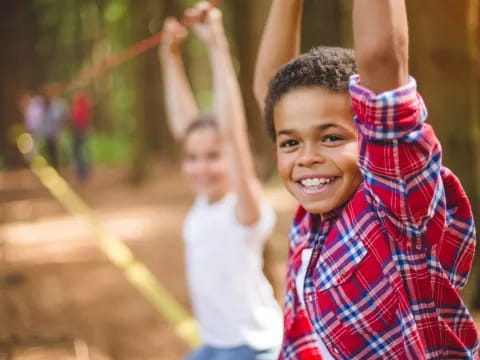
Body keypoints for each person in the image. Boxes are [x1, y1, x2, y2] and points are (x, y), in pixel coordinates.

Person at [254, 0, 479, 359]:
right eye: (291, 142)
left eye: (331, 137)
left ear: (371, 137)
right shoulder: (313, 214)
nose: (307, 157)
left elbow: (381, 58)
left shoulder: (396, 206)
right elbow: (273, 95)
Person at [159, 3, 283, 360]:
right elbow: (185, 125)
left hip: (252, 347)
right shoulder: (204, 204)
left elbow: (231, 134)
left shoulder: (243, 209)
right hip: (213, 347)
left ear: (231, 158)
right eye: (192, 158)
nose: (201, 167)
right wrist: (170, 57)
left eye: (213, 157)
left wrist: (216, 44)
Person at [71, 92, 92, 181]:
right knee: (81, 152)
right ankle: (83, 171)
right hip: (82, 131)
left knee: (79, 152)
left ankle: (83, 172)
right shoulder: (84, 107)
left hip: (80, 132)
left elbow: (77, 121)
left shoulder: (79, 108)